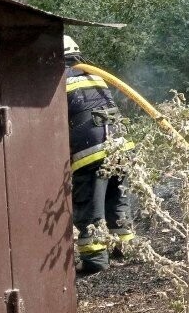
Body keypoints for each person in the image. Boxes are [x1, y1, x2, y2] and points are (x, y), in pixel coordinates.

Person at [64, 35, 137, 277]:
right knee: (117, 199)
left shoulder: (58, 81)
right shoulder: (93, 75)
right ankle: (123, 249)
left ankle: (95, 261)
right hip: (120, 146)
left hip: (90, 153)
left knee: (90, 207)